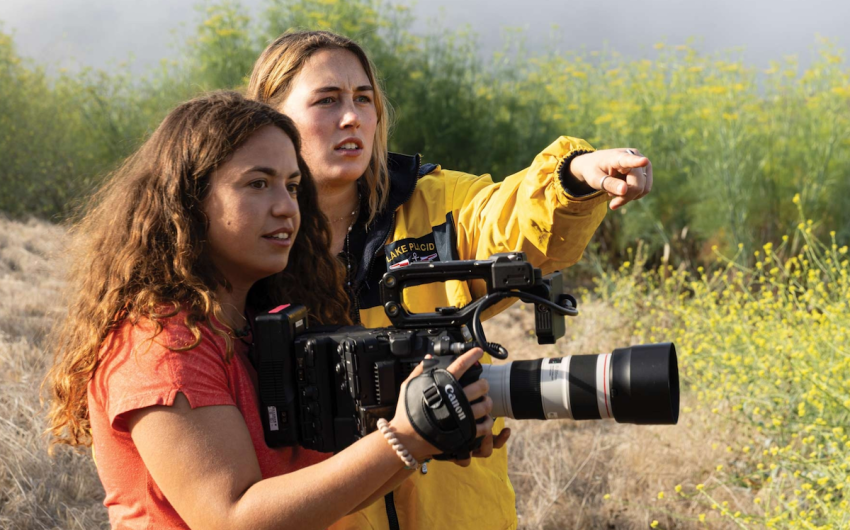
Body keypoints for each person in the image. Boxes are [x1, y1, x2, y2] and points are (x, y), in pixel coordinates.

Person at [246, 30, 655, 530]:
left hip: (456, 511)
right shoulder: (247, 235)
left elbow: (505, 220)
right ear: (272, 118)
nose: (352, 117)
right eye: (327, 100)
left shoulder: (433, 203)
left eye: (364, 99)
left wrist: (571, 178)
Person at [45, 91, 495, 530]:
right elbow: (232, 517)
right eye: (258, 184)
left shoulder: (256, 325)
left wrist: (427, 438)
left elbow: (316, 500)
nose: (286, 207)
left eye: (293, 186)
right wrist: (405, 437)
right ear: (189, 201)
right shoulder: (162, 342)